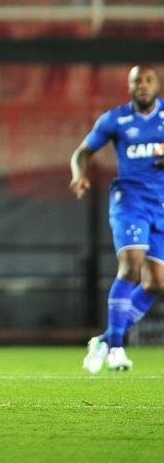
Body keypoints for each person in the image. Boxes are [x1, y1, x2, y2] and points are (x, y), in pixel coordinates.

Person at [72, 65, 164, 374]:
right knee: (131, 265)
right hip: (130, 201)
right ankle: (117, 349)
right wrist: (79, 174)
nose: (143, 85)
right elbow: (83, 152)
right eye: (137, 80)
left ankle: (105, 339)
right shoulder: (116, 120)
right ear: (129, 87)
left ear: (157, 85)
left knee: (157, 283)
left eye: (148, 80)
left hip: (160, 206)